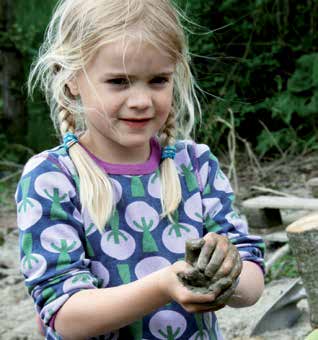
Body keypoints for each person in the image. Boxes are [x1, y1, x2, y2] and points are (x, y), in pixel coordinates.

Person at [15, 0, 265, 339]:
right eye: (119, 81)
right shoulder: (52, 179)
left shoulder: (195, 166)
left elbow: (251, 279)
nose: (141, 100)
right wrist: (162, 287)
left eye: (158, 80)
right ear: (72, 79)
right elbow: (65, 315)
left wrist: (226, 276)